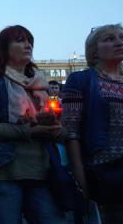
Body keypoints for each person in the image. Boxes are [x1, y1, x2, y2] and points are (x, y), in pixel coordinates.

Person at [0, 25, 67, 223]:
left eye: (29, 40)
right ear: (3, 49)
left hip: (40, 172)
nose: (27, 45)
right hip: (2, 173)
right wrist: (28, 131)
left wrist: (56, 129)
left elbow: (52, 128)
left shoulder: (39, 86)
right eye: (19, 40)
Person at [64, 24, 123, 223]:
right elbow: (71, 132)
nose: (119, 41)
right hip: (105, 172)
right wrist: (80, 177)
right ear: (93, 51)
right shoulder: (81, 80)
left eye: (121, 37)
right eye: (109, 39)